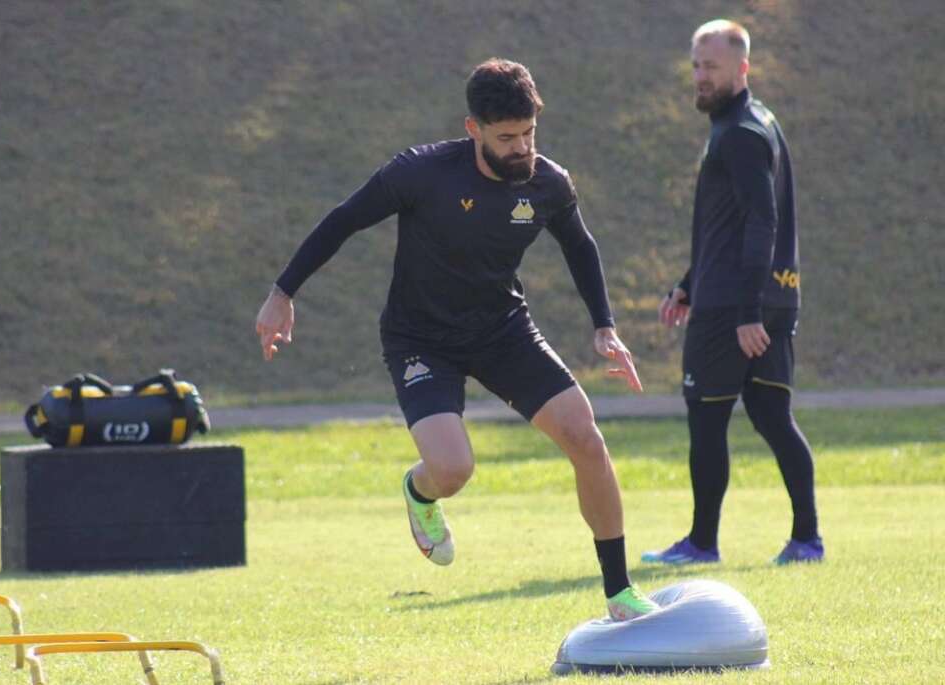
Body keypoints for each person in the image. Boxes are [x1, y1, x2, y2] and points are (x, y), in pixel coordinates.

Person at [256, 58, 658, 620]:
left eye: (529, 133)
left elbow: (580, 246)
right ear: (474, 129)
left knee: (585, 438)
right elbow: (343, 220)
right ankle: (420, 493)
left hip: (502, 330)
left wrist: (605, 328)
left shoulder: (548, 182)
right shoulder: (421, 173)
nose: (522, 148)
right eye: (507, 138)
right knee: (452, 471)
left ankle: (619, 593)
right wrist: (283, 292)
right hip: (421, 338)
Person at [644, 20, 823, 566]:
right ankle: (807, 540)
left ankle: (702, 544)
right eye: (696, 66)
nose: (701, 77)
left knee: (707, 416)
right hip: (759, 296)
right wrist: (687, 284)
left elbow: (761, 223)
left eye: (712, 68)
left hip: (735, 310)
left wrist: (747, 311)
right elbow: (726, 225)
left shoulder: (741, 133)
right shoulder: (748, 123)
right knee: (771, 416)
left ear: (742, 68)